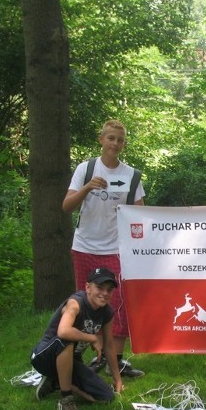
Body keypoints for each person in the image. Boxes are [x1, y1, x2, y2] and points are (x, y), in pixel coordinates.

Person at [62, 119, 145, 379]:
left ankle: (116, 362)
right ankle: (96, 357)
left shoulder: (131, 175)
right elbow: (66, 207)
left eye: (120, 140)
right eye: (111, 138)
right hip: (85, 247)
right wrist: (87, 187)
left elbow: (140, 214)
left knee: (117, 305)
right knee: (88, 304)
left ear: (124, 144)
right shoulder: (85, 169)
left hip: (116, 249)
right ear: (101, 140)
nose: (115, 144)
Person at [31, 268, 125, 410]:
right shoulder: (76, 303)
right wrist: (92, 338)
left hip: (71, 361)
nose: (105, 293)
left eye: (109, 290)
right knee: (67, 338)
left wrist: (117, 379)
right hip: (44, 356)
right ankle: (66, 399)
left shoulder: (107, 312)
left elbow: (108, 345)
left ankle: (55, 381)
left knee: (105, 397)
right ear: (88, 288)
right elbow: (63, 332)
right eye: (99, 288)